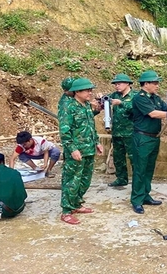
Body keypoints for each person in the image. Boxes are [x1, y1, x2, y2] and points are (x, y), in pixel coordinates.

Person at [59, 78, 103, 225]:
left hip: (88, 149)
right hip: (76, 151)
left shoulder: (85, 106)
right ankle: (66, 211)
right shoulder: (68, 107)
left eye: (91, 90)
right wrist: (72, 149)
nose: (90, 93)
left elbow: (91, 126)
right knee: (72, 180)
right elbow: (65, 132)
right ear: (77, 92)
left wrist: (97, 143)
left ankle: (76, 204)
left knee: (85, 180)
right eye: (87, 90)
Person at [131, 70, 167, 215]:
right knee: (140, 169)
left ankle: (146, 195)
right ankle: (137, 200)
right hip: (142, 138)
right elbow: (153, 114)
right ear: (146, 84)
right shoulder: (139, 98)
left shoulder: (156, 98)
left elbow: (166, 108)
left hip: (154, 137)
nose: (157, 86)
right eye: (155, 83)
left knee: (149, 169)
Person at [107, 73, 137, 187]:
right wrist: (101, 98)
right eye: (115, 84)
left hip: (131, 133)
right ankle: (121, 178)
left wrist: (121, 103)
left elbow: (136, 109)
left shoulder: (136, 95)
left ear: (128, 83)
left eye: (119, 83)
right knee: (118, 157)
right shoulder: (115, 95)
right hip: (117, 132)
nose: (116, 86)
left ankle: (137, 181)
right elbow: (106, 101)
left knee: (134, 158)